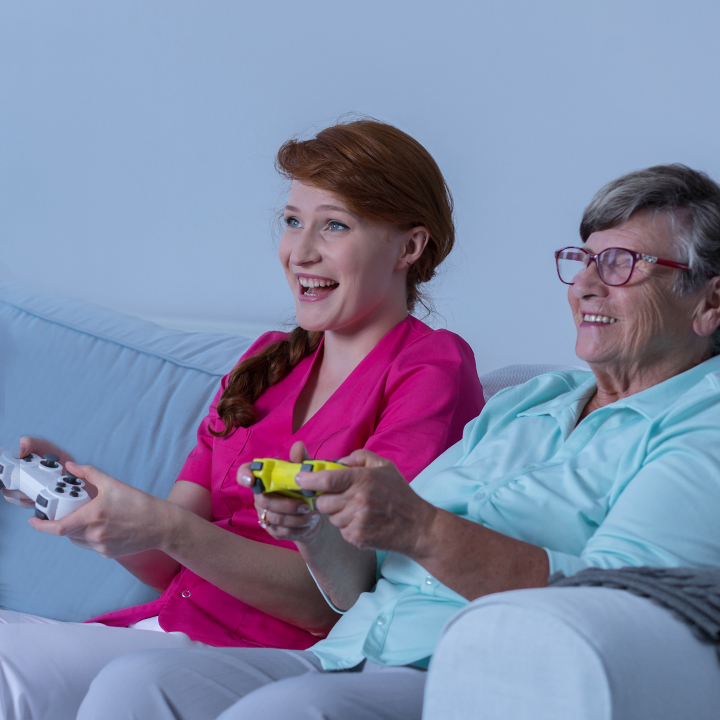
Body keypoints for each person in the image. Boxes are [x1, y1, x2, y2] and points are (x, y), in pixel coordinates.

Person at [76, 163, 720, 720]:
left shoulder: (702, 423)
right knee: (140, 687)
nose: (584, 285)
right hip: (347, 654)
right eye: (581, 259)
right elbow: (366, 585)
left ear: (709, 305)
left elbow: (623, 609)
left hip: (466, 680)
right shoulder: (532, 401)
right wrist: (316, 530)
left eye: (621, 263)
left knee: (286, 712)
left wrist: (421, 528)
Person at [0, 119, 484, 720]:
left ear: (409, 248)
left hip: (281, 658)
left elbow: (335, 599)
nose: (300, 251)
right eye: (291, 220)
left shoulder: (429, 366)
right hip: (165, 630)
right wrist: (93, 511)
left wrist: (164, 527)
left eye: (334, 224)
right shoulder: (263, 362)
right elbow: (163, 564)